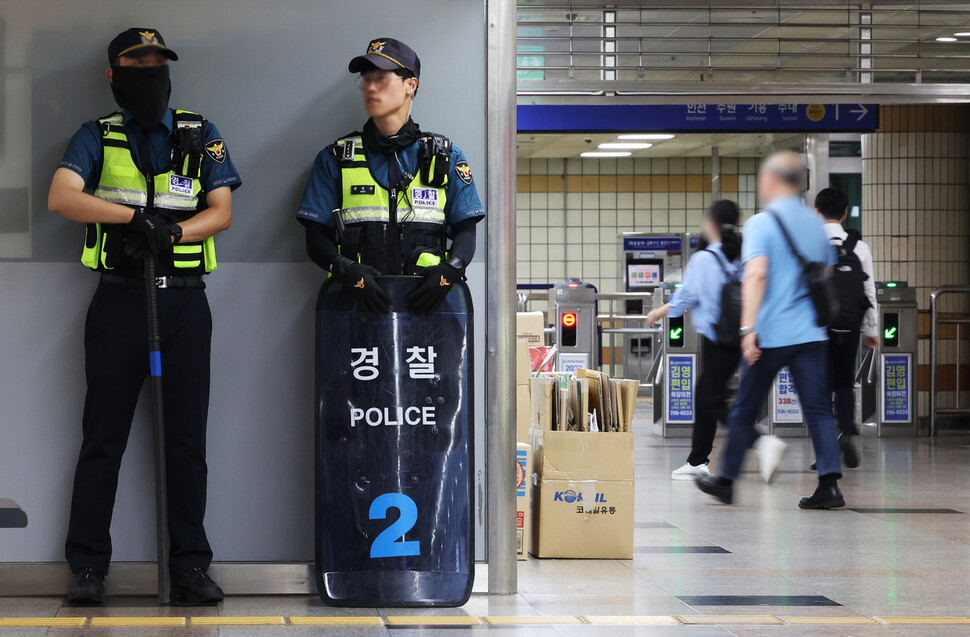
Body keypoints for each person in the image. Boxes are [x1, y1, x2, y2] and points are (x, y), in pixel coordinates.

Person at [48, 28, 241, 604]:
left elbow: (223, 210)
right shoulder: (96, 135)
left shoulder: (199, 132)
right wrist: (132, 221)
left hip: (184, 301)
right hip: (120, 302)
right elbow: (62, 196)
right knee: (103, 438)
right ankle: (87, 568)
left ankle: (189, 567)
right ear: (115, 74)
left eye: (158, 61)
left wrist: (173, 230)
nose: (150, 69)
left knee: (185, 440)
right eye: (138, 61)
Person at [696, 152, 844, 510]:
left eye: (764, 178)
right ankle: (830, 485)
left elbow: (756, 275)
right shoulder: (814, 223)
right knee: (819, 409)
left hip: (771, 334)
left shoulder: (763, 224)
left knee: (746, 406)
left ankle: (727, 481)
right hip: (811, 334)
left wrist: (748, 328)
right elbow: (825, 273)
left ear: (776, 181)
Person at [297, 38, 484, 313]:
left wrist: (450, 272)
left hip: (429, 314)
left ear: (411, 85)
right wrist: (346, 270)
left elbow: (466, 230)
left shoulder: (447, 156)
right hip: (355, 312)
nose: (371, 87)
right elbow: (315, 238)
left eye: (382, 79)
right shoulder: (336, 158)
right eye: (366, 79)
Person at [648, 200, 768, 480]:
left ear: (712, 223)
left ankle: (759, 442)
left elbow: (685, 299)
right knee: (708, 398)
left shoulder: (704, 259)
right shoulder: (741, 255)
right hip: (740, 335)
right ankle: (697, 460)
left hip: (716, 339)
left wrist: (658, 312)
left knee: (709, 399)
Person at [815, 188, 878, 469]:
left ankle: (824, 452)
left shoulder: (811, 243)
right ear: (844, 213)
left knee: (819, 389)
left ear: (817, 212)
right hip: (849, 326)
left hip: (817, 328)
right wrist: (871, 329)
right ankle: (846, 433)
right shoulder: (858, 246)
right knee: (843, 384)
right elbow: (868, 290)